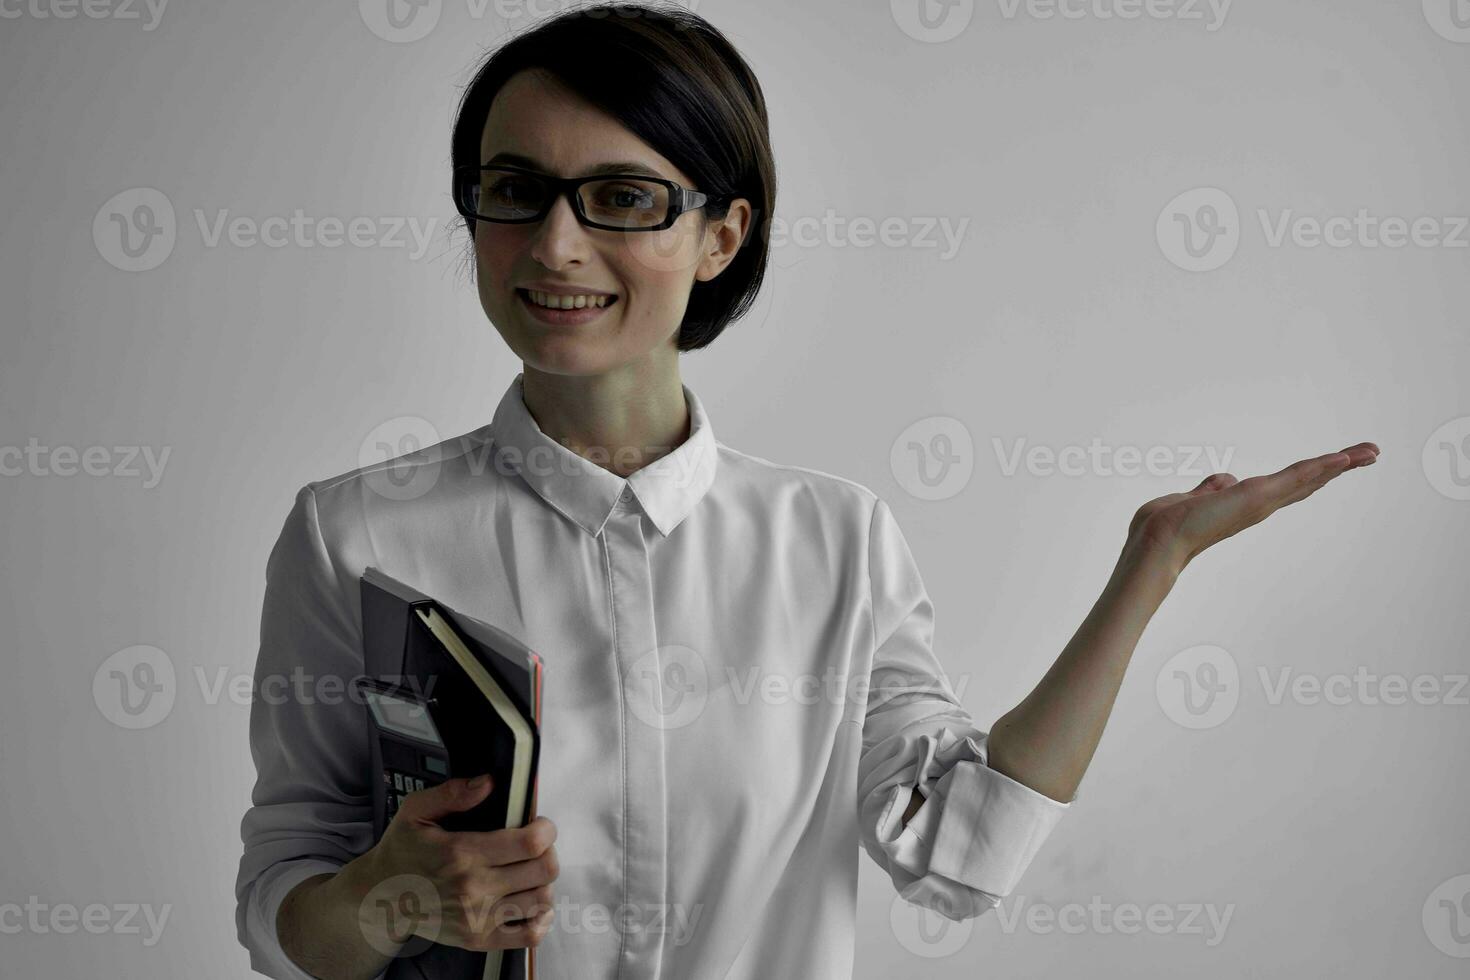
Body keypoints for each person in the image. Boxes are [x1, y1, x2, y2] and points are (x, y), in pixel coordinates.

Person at [233, 4, 1379, 979]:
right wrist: (383, 903)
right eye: (515, 189)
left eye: (623, 197)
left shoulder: (837, 539)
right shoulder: (357, 530)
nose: (556, 244)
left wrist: (1151, 566)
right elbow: (285, 887)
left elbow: (961, 854)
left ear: (721, 234)